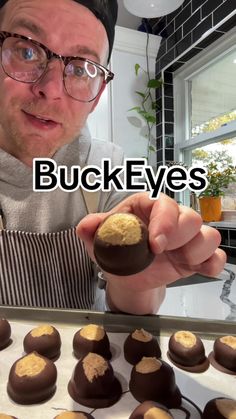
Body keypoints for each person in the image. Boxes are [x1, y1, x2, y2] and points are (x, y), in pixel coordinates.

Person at [0, 0, 226, 314]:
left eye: (81, 69)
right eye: (27, 51)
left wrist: (134, 283)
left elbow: (136, 304)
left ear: (95, 99)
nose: (51, 89)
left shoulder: (106, 166)